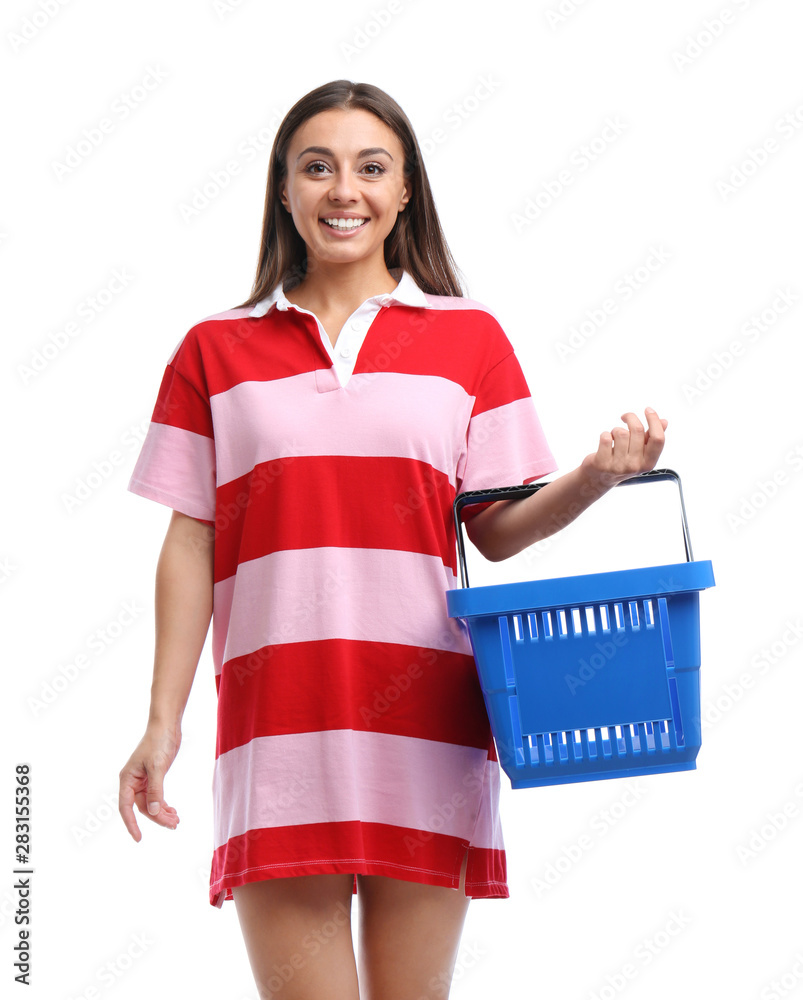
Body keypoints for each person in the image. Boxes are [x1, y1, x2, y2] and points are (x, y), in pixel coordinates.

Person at [118, 79, 667, 1000]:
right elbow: (190, 541)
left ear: (404, 190)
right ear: (283, 190)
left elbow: (494, 531)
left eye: (371, 169)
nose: (345, 190)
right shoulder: (214, 349)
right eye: (318, 167)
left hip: (430, 726)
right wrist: (161, 721)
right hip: (276, 729)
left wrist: (596, 476)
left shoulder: (470, 340)